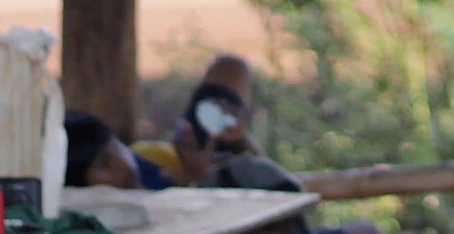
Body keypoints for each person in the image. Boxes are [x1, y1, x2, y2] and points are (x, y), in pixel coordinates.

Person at [65, 53, 301, 193]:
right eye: (104, 165)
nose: (119, 164)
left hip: (191, 162)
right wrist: (197, 181)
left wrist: (240, 141)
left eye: (115, 148)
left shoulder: (144, 160)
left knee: (230, 66)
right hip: (213, 195)